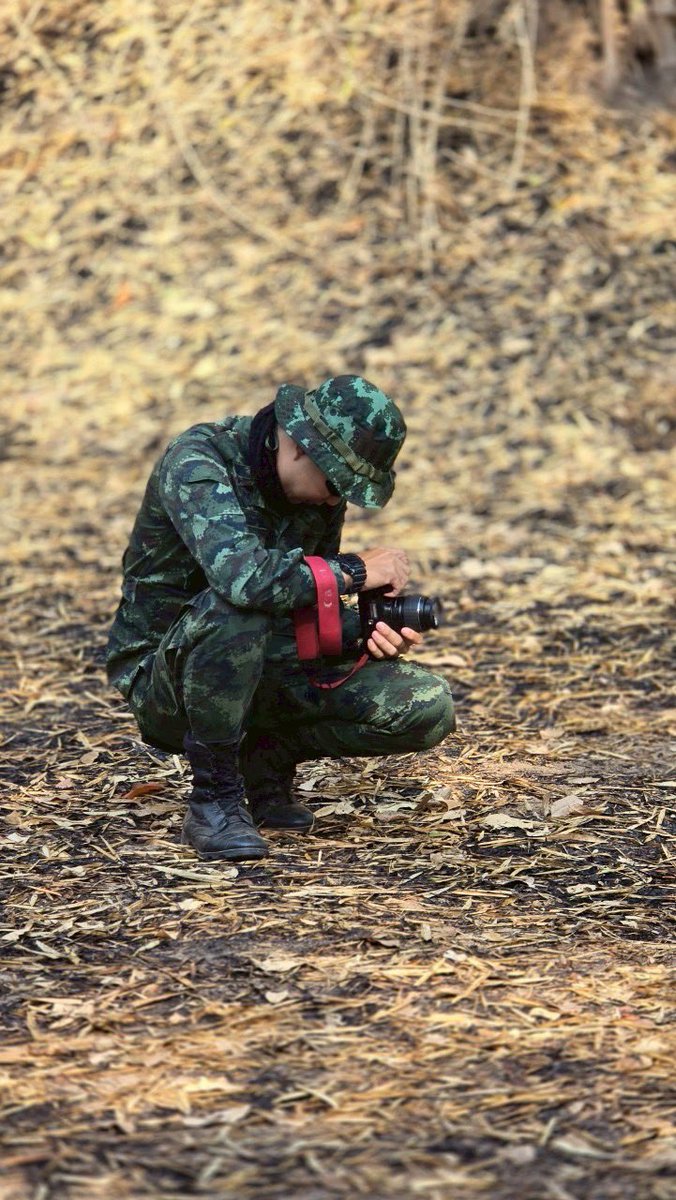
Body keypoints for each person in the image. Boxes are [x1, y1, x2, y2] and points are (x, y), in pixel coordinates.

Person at [106, 375, 455, 862]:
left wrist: (364, 634)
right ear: (296, 445)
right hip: (169, 678)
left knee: (426, 705)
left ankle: (266, 757)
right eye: (336, 483)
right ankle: (215, 799)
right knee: (237, 608)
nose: (337, 501)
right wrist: (354, 570)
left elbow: (305, 603)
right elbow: (244, 580)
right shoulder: (198, 462)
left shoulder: (313, 496)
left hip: (259, 658)